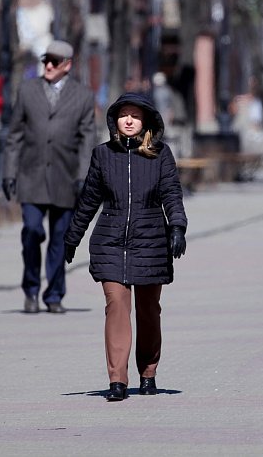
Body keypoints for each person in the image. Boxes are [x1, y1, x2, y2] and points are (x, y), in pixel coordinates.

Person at [63, 93, 187, 401]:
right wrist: (71, 238)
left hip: (151, 240)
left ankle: (148, 373)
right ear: (115, 121)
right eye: (123, 115)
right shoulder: (103, 155)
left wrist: (178, 228)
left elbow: (172, 193)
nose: (128, 120)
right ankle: (117, 380)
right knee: (116, 305)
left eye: (134, 115)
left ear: (145, 121)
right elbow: (89, 199)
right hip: (111, 240)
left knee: (148, 310)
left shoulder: (160, 155)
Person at [3, 40, 97, 314]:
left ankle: (54, 294)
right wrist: (9, 173)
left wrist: (84, 176)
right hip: (31, 176)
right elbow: (14, 136)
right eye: (46, 60)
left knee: (60, 238)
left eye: (55, 62)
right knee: (32, 230)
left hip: (65, 179)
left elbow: (87, 140)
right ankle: (30, 289)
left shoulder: (82, 96)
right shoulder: (28, 90)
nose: (48, 66)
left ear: (67, 65)